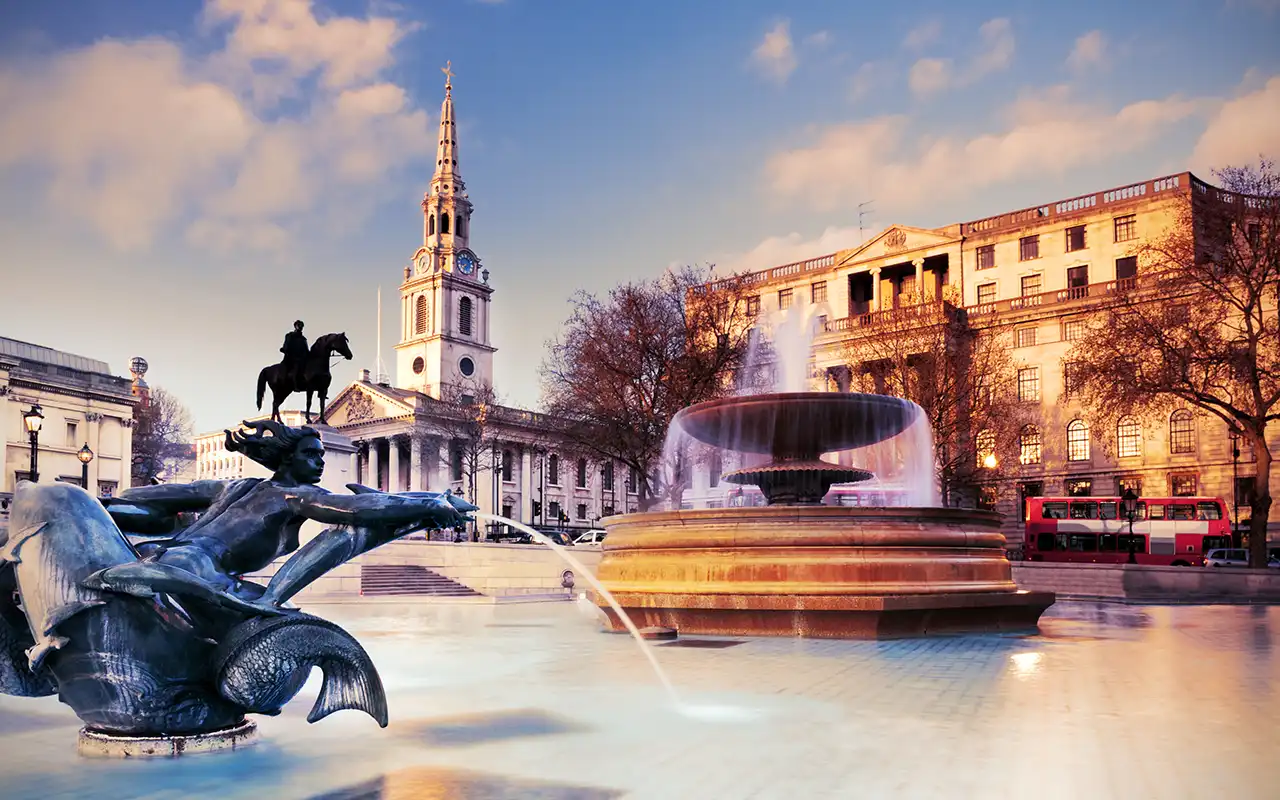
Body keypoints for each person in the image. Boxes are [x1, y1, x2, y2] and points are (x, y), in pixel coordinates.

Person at [90, 419, 475, 613]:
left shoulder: (232, 487)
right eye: (312, 455)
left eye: (322, 456)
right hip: (197, 574)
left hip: (154, 553)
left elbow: (144, 496)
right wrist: (429, 505)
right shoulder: (298, 496)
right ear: (288, 458)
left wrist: (105, 506)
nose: (321, 462)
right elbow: (357, 509)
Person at [281, 320, 309, 389]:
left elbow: (306, 350)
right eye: (298, 325)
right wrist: (285, 350)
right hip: (292, 357)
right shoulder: (290, 335)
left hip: (302, 358)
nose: (300, 327)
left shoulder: (303, 339)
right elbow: (286, 345)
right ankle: (295, 384)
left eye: (301, 326)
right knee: (297, 366)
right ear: (295, 326)